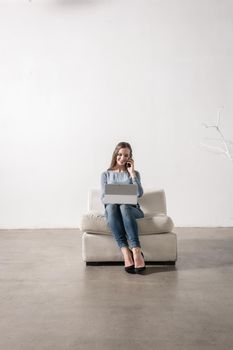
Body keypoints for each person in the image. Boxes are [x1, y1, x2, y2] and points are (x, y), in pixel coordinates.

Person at [101, 142, 146, 274]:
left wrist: (132, 174)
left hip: (132, 210)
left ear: (130, 157)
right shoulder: (106, 174)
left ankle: (136, 251)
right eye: (120, 154)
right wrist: (114, 200)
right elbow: (103, 198)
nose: (122, 158)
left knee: (124, 207)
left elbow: (139, 194)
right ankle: (126, 252)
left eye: (126, 155)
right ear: (115, 155)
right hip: (113, 210)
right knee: (111, 207)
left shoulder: (134, 173)